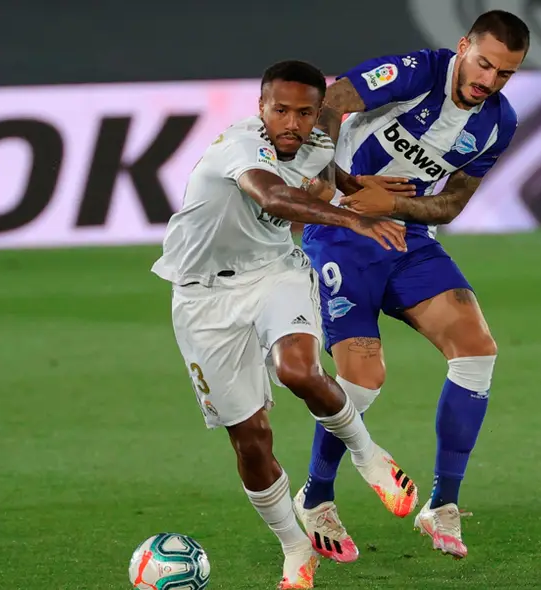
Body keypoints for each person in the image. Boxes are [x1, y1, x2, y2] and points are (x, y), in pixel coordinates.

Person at [150, 60, 419, 590]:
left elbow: (318, 175)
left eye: (303, 112)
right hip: (203, 298)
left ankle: (370, 458)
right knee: (250, 440)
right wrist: (355, 217)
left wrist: (351, 184)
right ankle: (295, 547)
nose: (290, 123)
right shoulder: (240, 146)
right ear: (260, 108)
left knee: (297, 369)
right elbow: (273, 195)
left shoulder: (317, 142)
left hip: (274, 272)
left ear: (318, 112)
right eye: (279, 111)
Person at [294, 10, 530, 561]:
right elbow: (330, 103)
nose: (488, 81)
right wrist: (340, 184)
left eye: (504, 75)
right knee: (365, 378)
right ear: (464, 46)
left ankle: (442, 504)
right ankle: (317, 497)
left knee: (476, 348)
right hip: (342, 231)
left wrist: (394, 204)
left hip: (407, 237)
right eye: (484, 64)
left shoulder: (499, 122)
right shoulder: (416, 72)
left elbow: (451, 202)